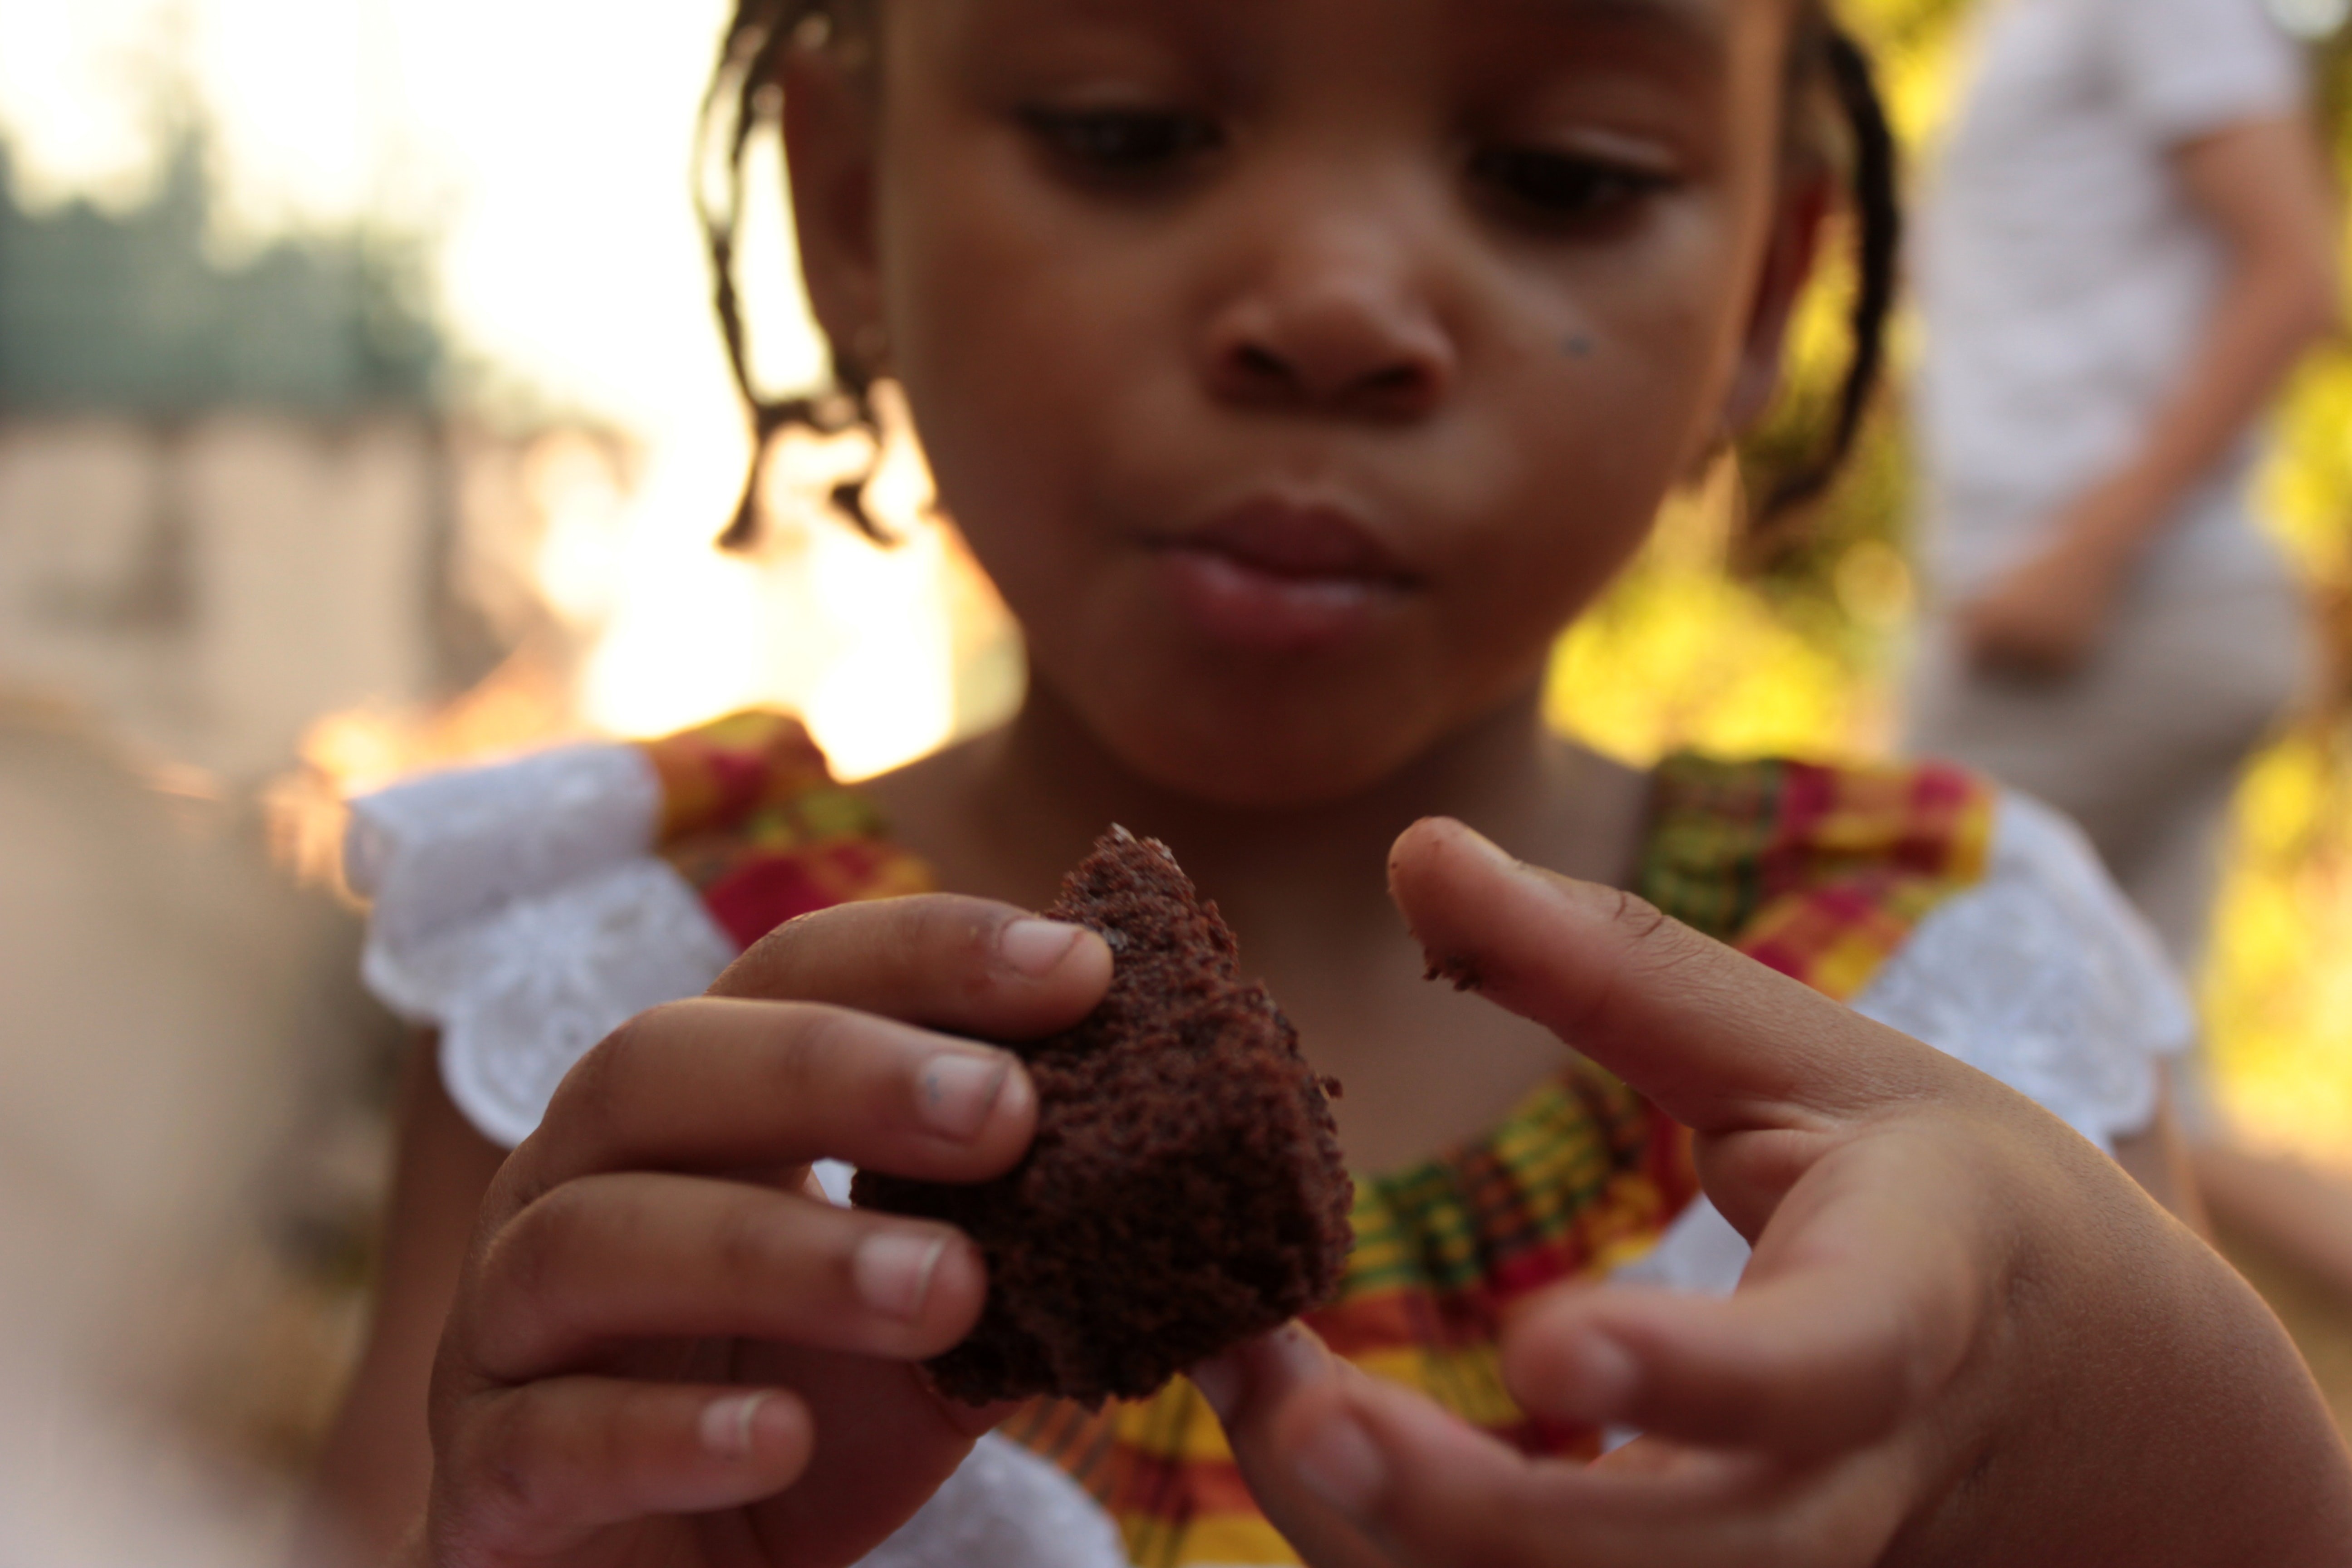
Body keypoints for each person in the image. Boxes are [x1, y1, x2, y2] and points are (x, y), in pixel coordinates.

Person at [302, 2, 2352, 1564]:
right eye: (1128, 132)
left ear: (1766, 296)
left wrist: (2110, 1392)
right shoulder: (629, 1013)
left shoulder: (1950, 989)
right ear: (850, 208)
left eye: (1562, 174)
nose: (1336, 310)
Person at [1906, 0, 2351, 1293]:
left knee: (1846, 1003)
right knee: (2162, 1114)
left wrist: (2085, 553)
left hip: (2105, 623)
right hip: (2113, 615)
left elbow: (2294, 273)